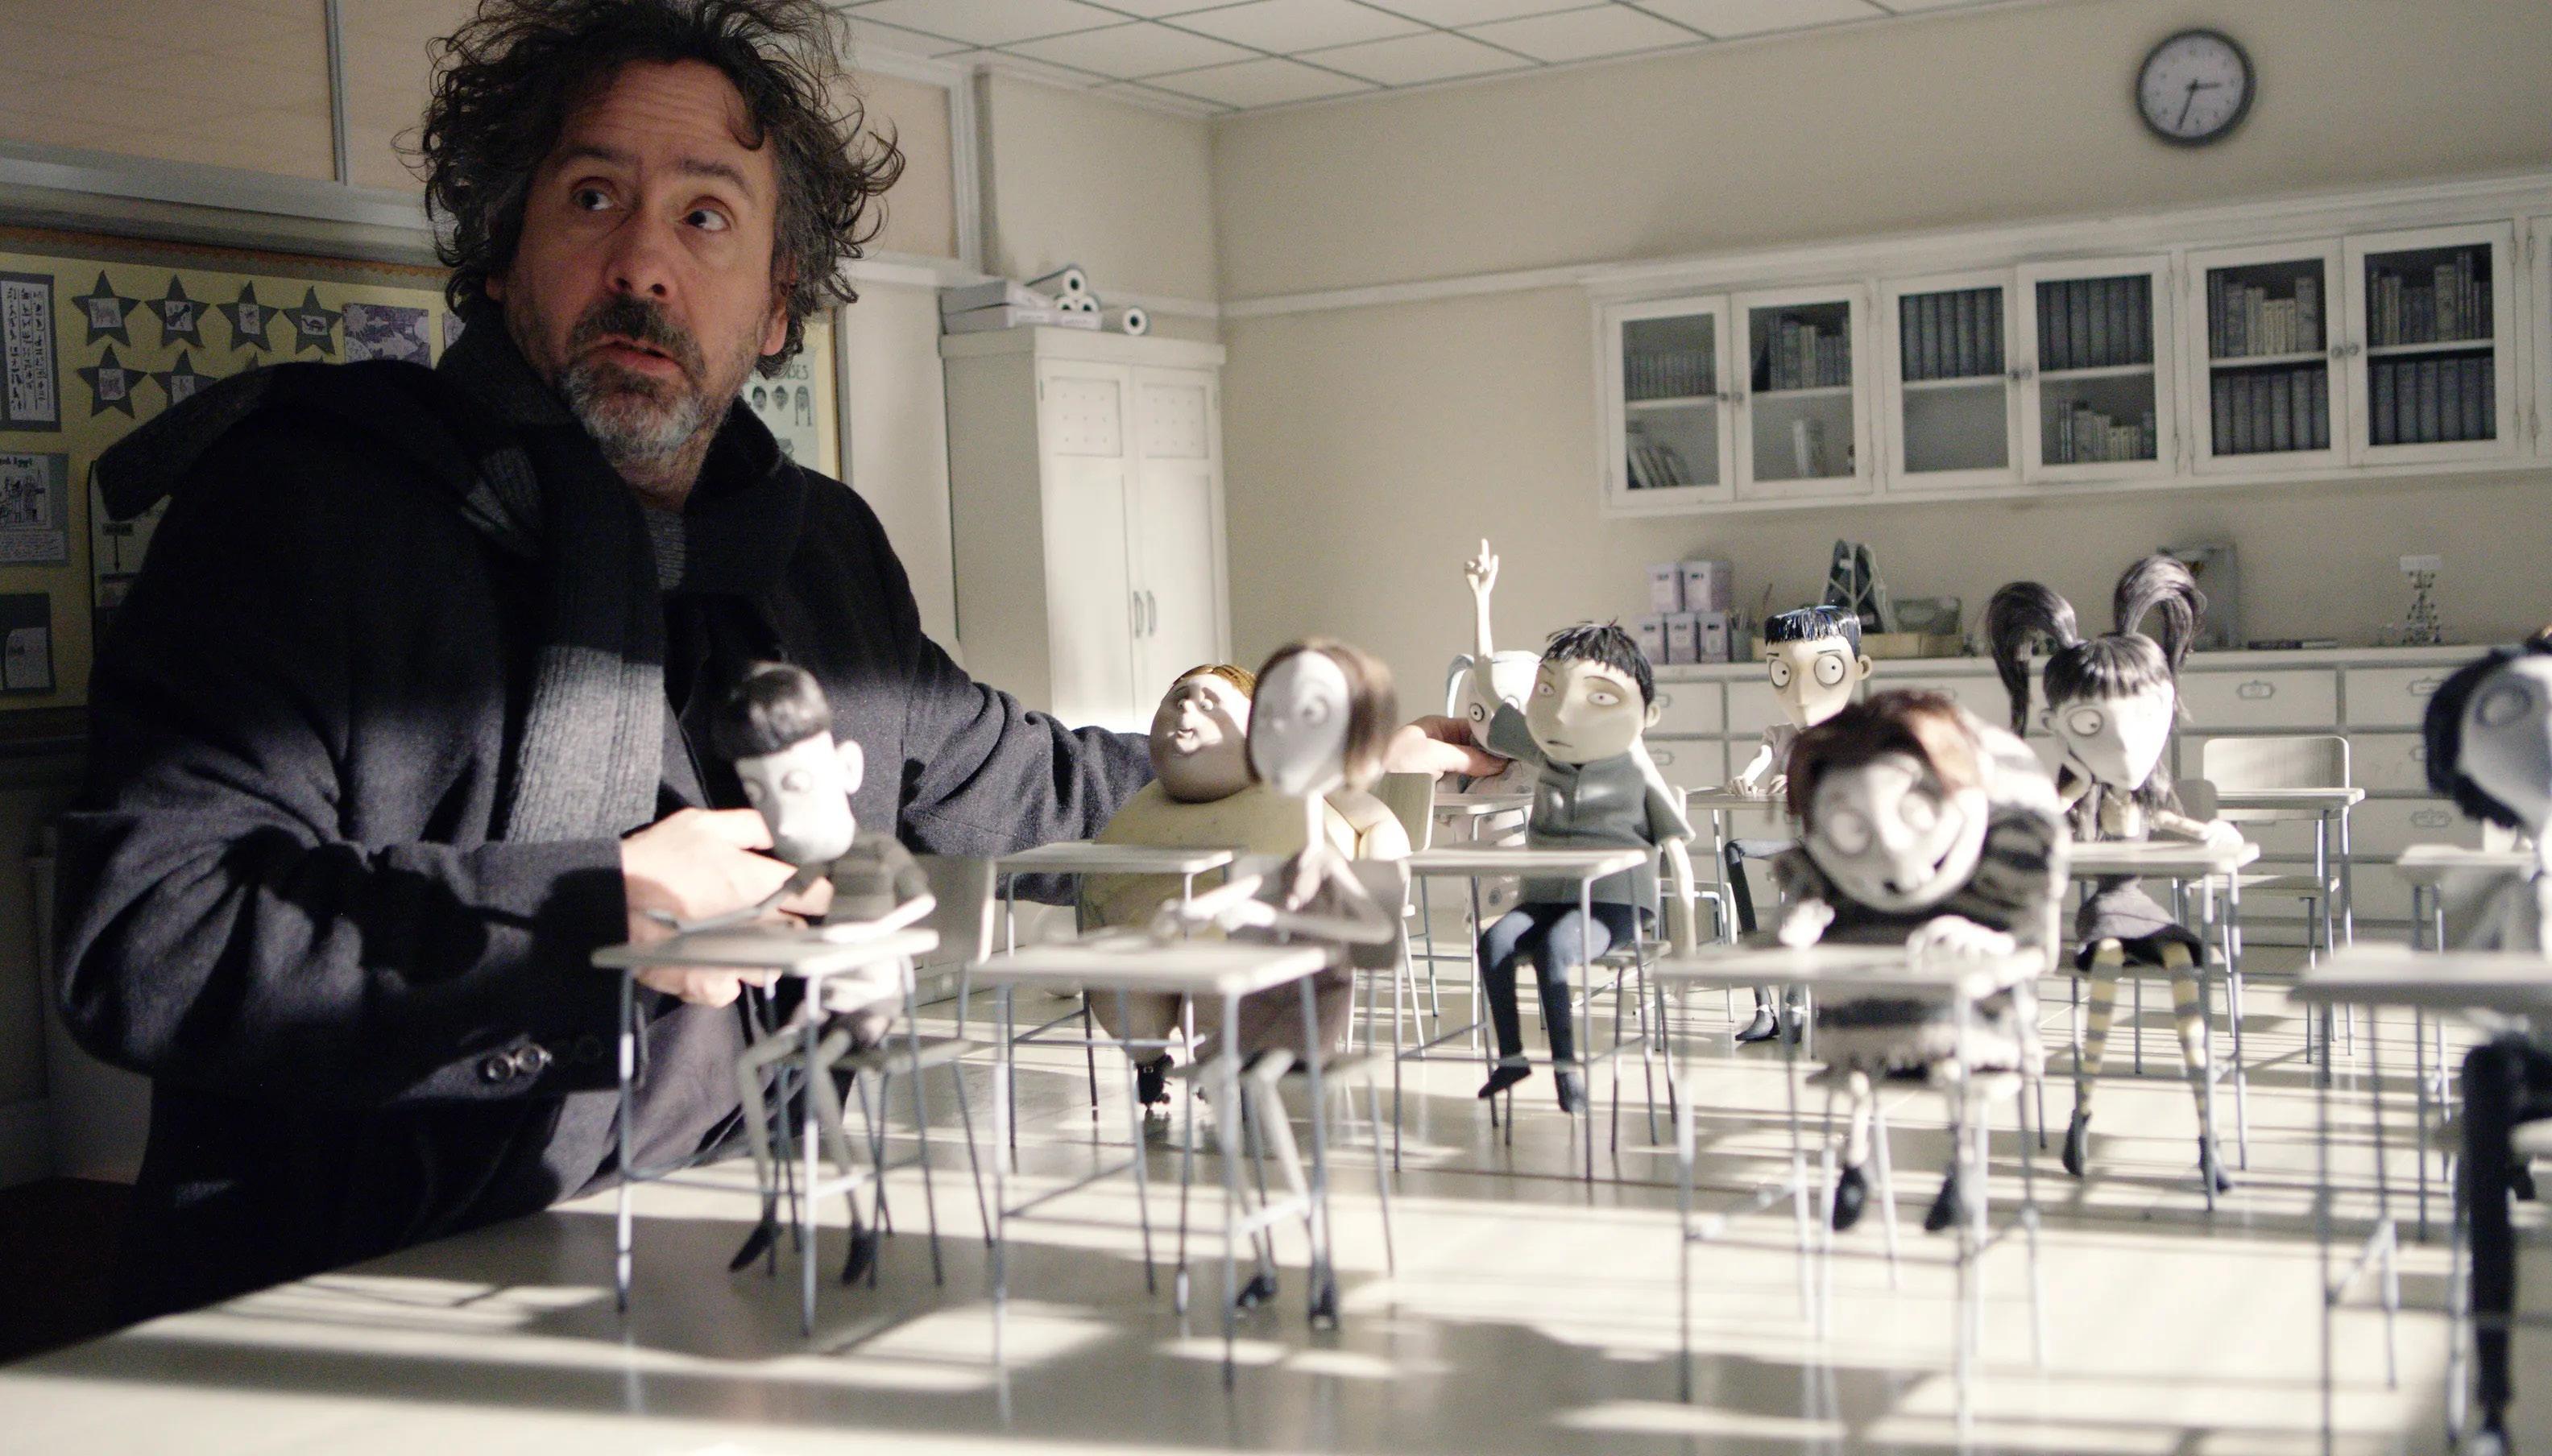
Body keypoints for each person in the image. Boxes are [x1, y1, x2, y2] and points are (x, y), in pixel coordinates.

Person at [46, 0, 1482, 1321]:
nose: (643, 263)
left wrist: (1321, 766)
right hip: (350, 1308)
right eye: (591, 198)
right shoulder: (302, 508)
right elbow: (149, 937)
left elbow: (1026, 779)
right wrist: (592, 912)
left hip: (718, 1268)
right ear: (499, 256)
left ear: (779, 304)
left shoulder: (815, 555)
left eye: (706, 216)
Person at [1771, 691, 2063, 1232]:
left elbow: (2034, 945)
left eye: (1915, 812)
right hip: (1871, 1029)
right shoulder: (1832, 882)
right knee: (1858, 1081)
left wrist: (1988, 940)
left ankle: (1962, 1166)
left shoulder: (2012, 855)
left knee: (1954, 1071)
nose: (1894, 851)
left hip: (1967, 1028)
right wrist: (1804, 919)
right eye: (1853, 829)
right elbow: (1813, 911)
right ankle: (1854, 1163)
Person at [1466, 600, 1699, 1113]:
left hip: (1613, 906)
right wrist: (1483, 599)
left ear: (1646, 716)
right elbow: (1486, 684)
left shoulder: (1637, 775)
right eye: (1548, 690)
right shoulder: (1545, 752)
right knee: (1494, 942)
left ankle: (1566, 1070)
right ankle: (1511, 1058)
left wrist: (1685, 946)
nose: (1563, 713)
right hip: (1544, 898)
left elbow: (1677, 856)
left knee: (1555, 950)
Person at [2422, 635, 2552, 1455]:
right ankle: (2493, 1397)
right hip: (2540, 1060)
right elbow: (2481, 988)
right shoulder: (2523, 884)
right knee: (2484, 1068)